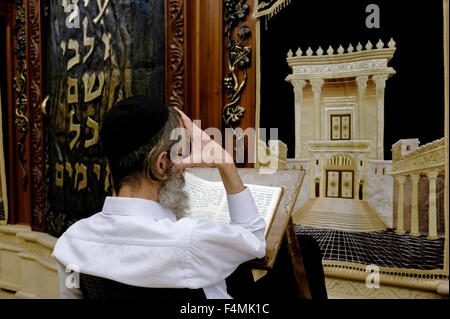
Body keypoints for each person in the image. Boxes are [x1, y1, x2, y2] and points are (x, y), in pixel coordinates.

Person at [52, 95, 266, 299]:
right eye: (181, 154)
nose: (183, 168)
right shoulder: (190, 240)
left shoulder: (71, 241)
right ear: (161, 164)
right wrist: (225, 163)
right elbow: (254, 242)